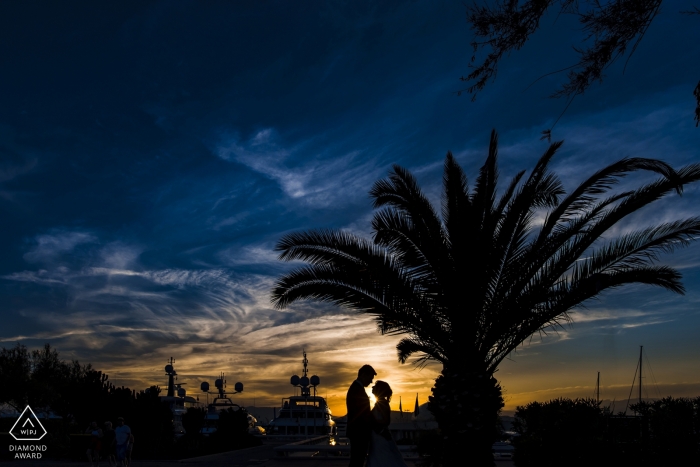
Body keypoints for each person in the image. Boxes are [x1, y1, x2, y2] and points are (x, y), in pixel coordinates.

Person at [366, 381, 409, 467]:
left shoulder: (382, 404)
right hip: (377, 436)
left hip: (380, 437)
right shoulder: (380, 402)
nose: (372, 387)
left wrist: (373, 420)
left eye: (375, 386)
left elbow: (386, 421)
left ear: (379, 390)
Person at [346, 364, 376, 467]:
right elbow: (362, 413)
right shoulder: (357, 389)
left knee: (357, 461)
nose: (371, 381)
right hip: (359, 432)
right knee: (357, 461)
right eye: (370, 378)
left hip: (357, 431)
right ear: (363, 375)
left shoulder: (356, 388)